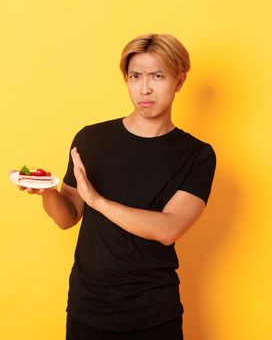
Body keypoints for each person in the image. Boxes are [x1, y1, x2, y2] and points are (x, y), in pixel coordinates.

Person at [15, 33, 216, 340]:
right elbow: (67, 217)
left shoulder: (197, 155)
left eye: (157, 76)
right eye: (135, 76)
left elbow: (168, 229)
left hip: (153, 313)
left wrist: (98, 201)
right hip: (88, 308)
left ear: (179, 80)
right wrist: (49, 192)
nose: (144, 88)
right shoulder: (91, 139)